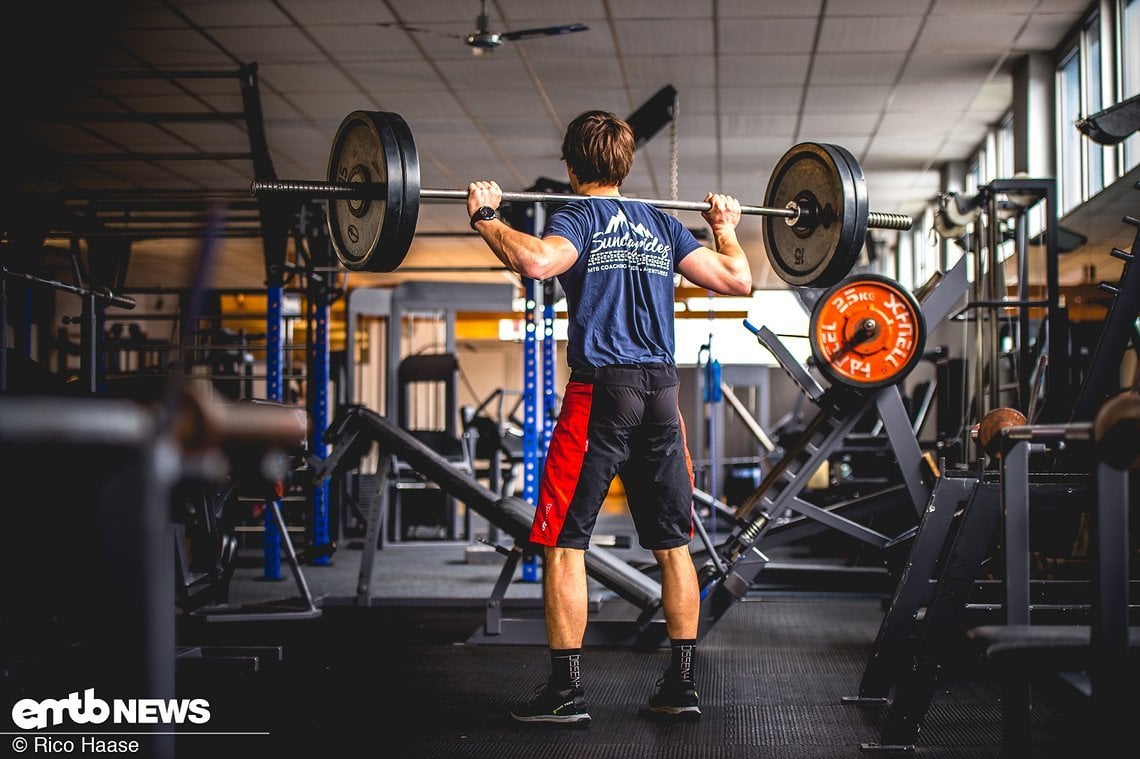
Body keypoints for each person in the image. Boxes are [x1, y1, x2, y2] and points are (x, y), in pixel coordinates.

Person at [467, 110, 752, 725]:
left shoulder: (579, 217)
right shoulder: (660, 224)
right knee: (674, 544)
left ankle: (566, 692)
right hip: (660, 392)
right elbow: (738, 278)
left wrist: (487, 217)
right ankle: (681, 685)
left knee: (564, 542)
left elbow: (538, 262)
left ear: (571, 168)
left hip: (602, 393)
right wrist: (726, 227)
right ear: (626, 166)